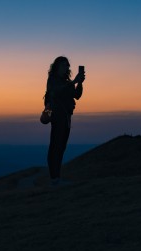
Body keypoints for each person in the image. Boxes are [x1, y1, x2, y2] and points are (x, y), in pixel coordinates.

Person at [45, 56, 85, 186]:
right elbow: (57, 91)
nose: (67, 67)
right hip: (57, 116)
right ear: (57, 67)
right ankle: (54, 178)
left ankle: (56, 177)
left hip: (66, 116)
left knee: (61, 147)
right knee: (56, 147)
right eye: (64, 65)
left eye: (67, 65)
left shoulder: (65, 80)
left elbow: (76, 96)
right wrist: (73, 82)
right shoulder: (53, 80)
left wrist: (79, 83)